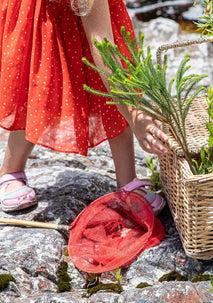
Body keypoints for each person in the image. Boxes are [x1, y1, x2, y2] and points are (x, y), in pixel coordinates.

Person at [0, 0, 169, 214]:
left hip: (95, 14)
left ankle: (127, 178)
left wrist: (133, 112)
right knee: (38, 89)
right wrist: (136, 116)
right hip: (42, 16)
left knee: (111, 82)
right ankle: (10, 169)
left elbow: (104, 47)